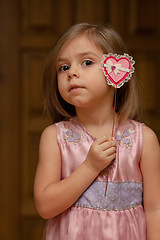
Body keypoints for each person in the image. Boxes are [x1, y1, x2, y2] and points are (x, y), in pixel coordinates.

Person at [34, 23, 160, 240]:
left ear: (116, 71)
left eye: (87, 62)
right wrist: (90, 167)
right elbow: (45, 207)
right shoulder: (54, 137)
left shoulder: (143, 139)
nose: (72, 72)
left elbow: (155, 209)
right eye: (63, 67)